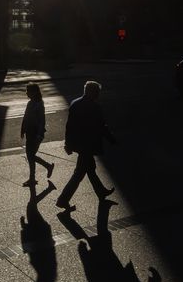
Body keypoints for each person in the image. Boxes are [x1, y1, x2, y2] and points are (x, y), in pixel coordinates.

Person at [55, 80, 117, 210]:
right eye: (97, 92)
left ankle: (101, 192)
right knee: (79, 173)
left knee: (90, 169)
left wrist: (68, 144)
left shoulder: (75, 103)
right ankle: (62, 199)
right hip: (89, 145)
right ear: (92, 92)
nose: (98, 95)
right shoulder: (95, 107)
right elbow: (102, 127)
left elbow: (69, 127)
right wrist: (112, 140)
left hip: (79, 144)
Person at [20, 82, 55, 187]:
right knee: (31, 156)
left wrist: (39, 135)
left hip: (35, 134)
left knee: (30, 156)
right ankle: (39, 173)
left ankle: (36, 175)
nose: (26, 93)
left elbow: (41, 121)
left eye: (28, 91)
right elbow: (25, 117)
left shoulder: (39, 104)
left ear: (34, 92)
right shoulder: (30, 103)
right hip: (30, 133)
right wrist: (22, 130)